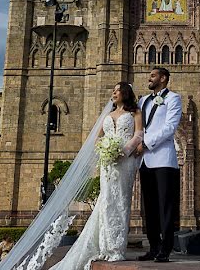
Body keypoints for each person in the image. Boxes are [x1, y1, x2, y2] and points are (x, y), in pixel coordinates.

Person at [48, 81, 144, 269]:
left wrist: (123, 151)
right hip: (108, 164)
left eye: (117, 90)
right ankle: (104, 246)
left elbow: (139, 134)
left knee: (121, 202)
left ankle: (116, 248)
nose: (114, 93)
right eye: (113, 90)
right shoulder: (107, 115)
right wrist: (104, 150)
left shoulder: (135, 113)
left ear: (125, 93)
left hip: (125, 162)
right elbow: (98, 138)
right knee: (106, 201)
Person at [136, 67, 182, 262]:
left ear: (163, 79)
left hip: (163, 159)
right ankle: (153, 246)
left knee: (165, 206)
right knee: (150, 206)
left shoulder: (173, 98)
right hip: (144, 161)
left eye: (153, 75)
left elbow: (170, 127)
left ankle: (166, 248)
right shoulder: (143, 100)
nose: (149, 78)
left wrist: (146, 143)